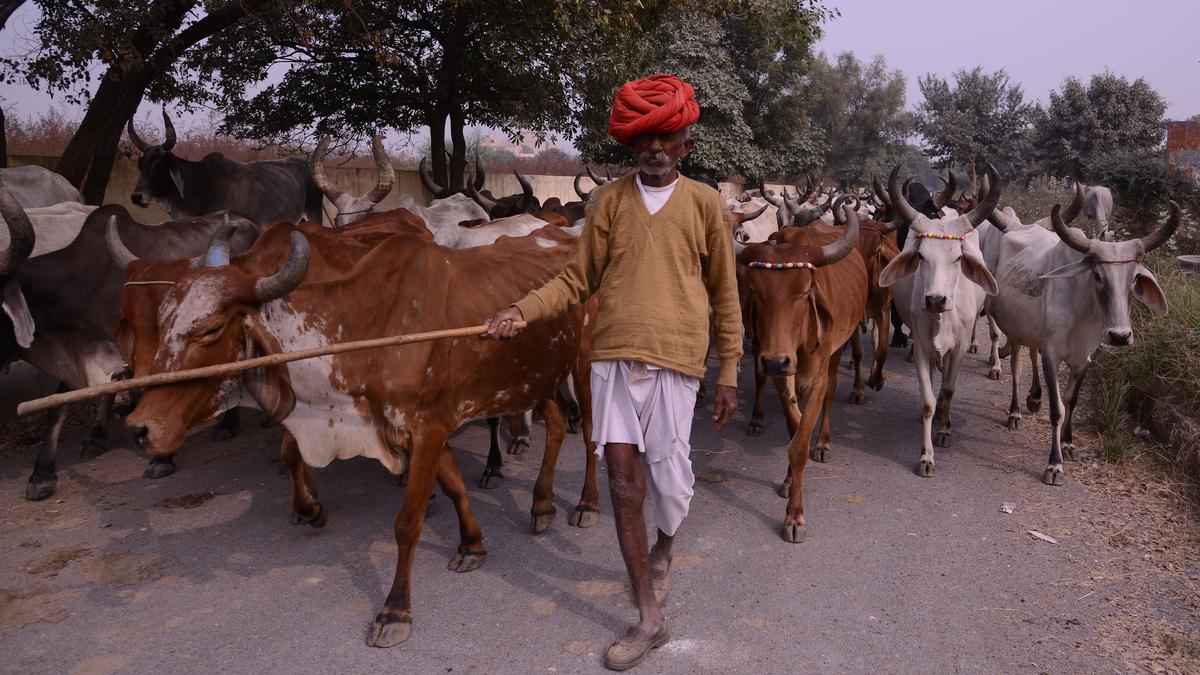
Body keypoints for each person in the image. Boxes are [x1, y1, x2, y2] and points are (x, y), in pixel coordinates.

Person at [484, 73, 742, 671]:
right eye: (644, 138)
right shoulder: (608, 202)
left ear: (686, 145)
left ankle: (667, 543)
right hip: (613, 362)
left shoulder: (705, 204)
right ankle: (649, 618)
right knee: (623, 483)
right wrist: (521, 310)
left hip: (677, 362)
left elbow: (725, 293)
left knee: (670, 487)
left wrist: (727, 369)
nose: (654, 148)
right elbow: (578, 281)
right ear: (630, 145)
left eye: (666, 136)